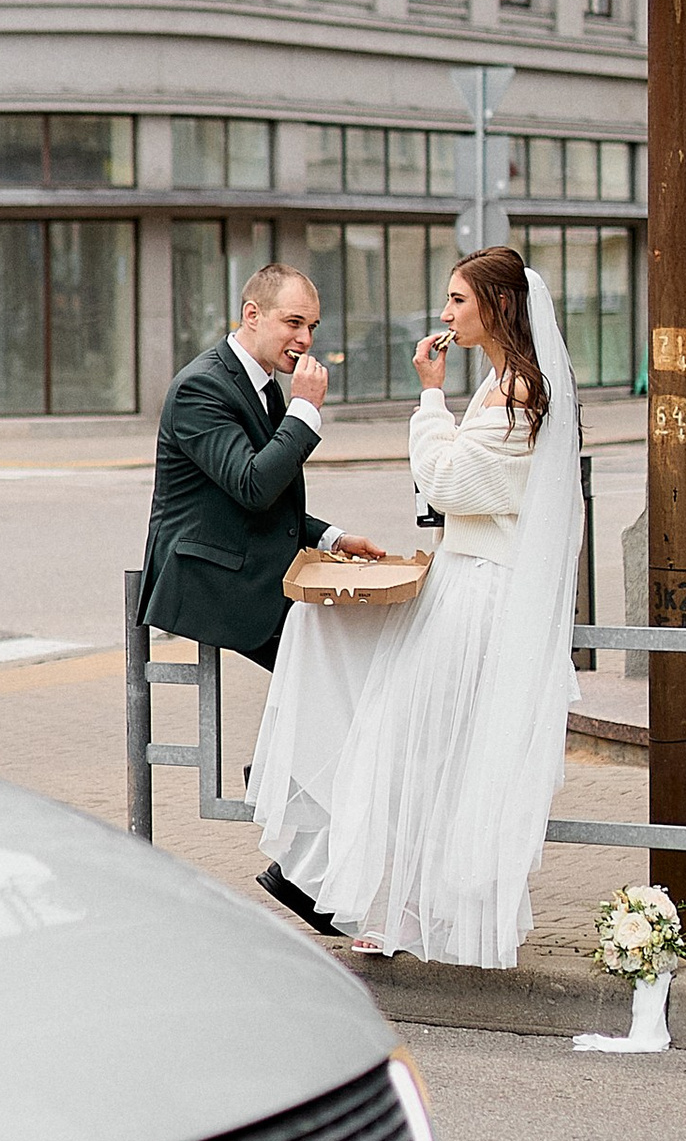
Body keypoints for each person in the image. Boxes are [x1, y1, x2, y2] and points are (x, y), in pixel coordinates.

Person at [248, 246, 582, 970]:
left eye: (457, 300)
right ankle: (401, 906)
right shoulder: (504, 385)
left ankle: (412, 909)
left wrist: (430, 397)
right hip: (464, 582)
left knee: (414, 742)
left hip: (481, 595)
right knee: (423, 747)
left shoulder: (519, 391)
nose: (444, 314)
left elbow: (449, 485)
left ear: (496, 308)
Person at [138, 269, 391, 864]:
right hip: (209, 576)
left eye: (312, 326)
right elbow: (252, 486)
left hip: (251, 561)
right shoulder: (201, 388)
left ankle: (289, 799)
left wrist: (332, 537)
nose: (305, 339)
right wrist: (304, 415)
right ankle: (280, 784)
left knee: (353, 669)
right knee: (341, 670)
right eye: (293, 323)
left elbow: (266, 500)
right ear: (252, 315)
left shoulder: (263, 385)